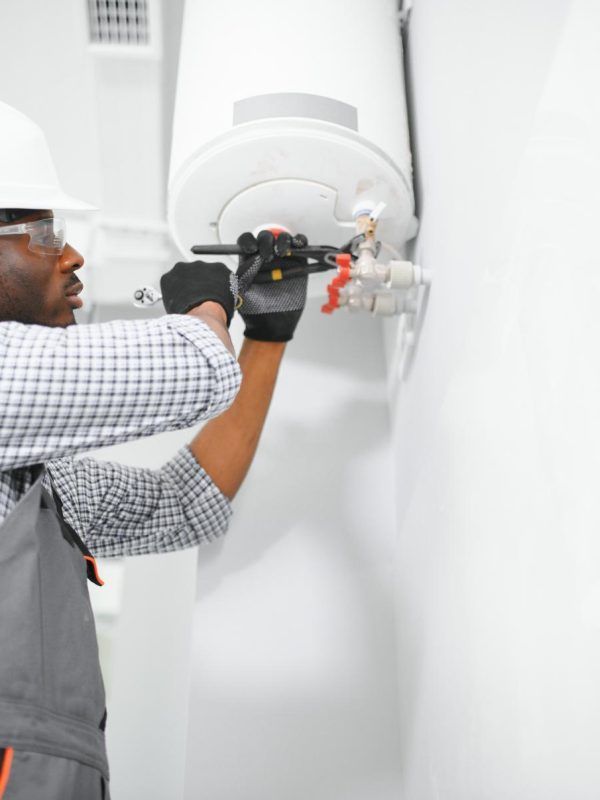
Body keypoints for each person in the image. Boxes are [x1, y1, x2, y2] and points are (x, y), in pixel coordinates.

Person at [0, 102, 308, 800]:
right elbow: (193, 364)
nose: (73, 255)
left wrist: (266, 335)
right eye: (44, 233)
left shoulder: (31, 487)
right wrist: (207, 307)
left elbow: (183, 502)